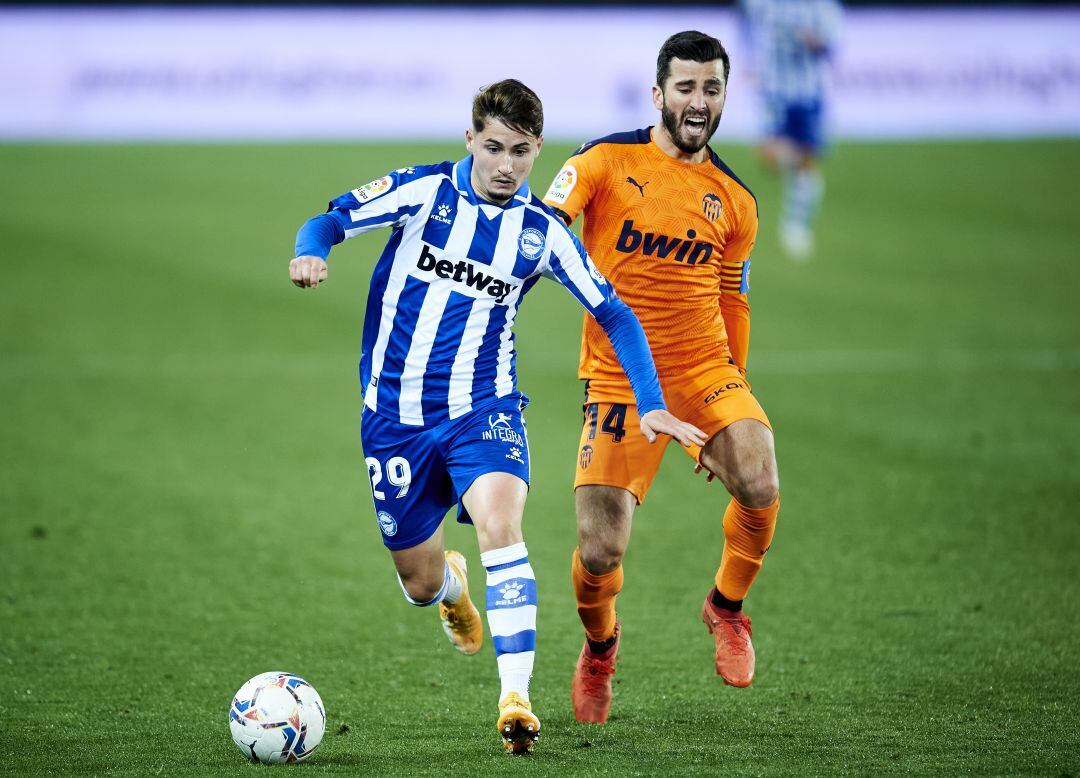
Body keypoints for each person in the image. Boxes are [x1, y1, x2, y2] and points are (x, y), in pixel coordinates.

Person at [289, 79, 705, 753]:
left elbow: (614, 312)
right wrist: (314, 249)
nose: (506, 165)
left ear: (537, 149)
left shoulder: (540, 232)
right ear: (469, 141)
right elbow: (331, 218)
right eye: (493, 148)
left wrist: (651, 402)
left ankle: (516, 698)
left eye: (520, 151)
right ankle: (452, 588)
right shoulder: (423, 193)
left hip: (484, 408)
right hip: (394, 417)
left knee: (503, 526)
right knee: (417, 581)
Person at [542, 32, 781, 725]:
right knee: (599, 547)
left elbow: (732, 296)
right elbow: (543, 229)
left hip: (704, 368)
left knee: (761, 478)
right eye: (686, 88)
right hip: (618, 376)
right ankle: (600, 649)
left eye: (711, 89)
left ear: (725, 97)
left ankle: (726, 608)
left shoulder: (735, 200)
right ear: (658, 94)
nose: (698, 102)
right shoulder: (603, 160)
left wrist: (730, 393)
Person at [741, 0, 843, 259]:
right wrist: (747, 58)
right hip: (774, 91)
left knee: (803, 164)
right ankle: (804, 169)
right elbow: (744, 19)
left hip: (809, 93)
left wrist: (816, 42)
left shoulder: (821, 6)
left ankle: (796, 225)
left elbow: (833, 44)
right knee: (770, 156)